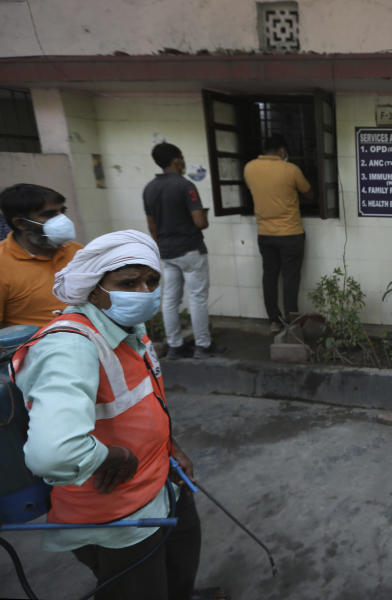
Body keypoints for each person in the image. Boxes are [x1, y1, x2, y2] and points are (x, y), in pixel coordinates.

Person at [10, 230, 225, 600]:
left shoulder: (127, 327)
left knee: (180, 564)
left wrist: (169, 448)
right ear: (94, 290)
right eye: (128, 283)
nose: (144, 291)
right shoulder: (70, 346)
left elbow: (141, 402)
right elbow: (53, 452)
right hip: (120, 514)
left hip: (162, 482)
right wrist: (114, 454)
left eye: (151, 280)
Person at [143, 142, 224, 359]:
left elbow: (152, 225)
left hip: (167, 252)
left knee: (170, 299)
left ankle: (175, 347)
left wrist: (162, 247)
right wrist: (204, 218)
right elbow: (199, 222)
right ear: (177, 160)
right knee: (197, 298)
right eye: (182, 157)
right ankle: (203, 346)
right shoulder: (185, 186)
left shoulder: (149, 188)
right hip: (190, 250)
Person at [243, 134, 312, 333]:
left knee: (270, 276)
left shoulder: (249, 168)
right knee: (291, 277)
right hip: (290, 233)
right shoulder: (290, 169)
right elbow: (308, 192)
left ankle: (274, 320)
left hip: (265, 234)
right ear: (282, 151)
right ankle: (291, 318)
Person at [0, 184, 82, 327]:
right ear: (20, 223)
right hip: (35, 346)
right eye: (49, 214)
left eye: (62, 211)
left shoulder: (77, 251)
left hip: (91, 338)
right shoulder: (3, 264)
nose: (61, 220)